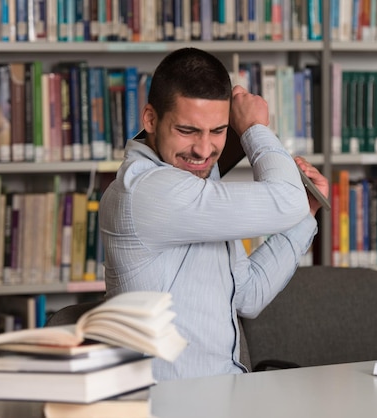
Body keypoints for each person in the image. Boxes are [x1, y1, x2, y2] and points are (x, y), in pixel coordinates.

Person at [99, 47, 329, 381]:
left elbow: (247, 294)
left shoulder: (201, 186)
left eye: (218, 131)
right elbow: (285, 200)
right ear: (150, 119)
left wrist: (304, 215)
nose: (204, 150)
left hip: (223, 397)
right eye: (188, 130)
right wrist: (253, 128)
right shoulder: (145, 191)